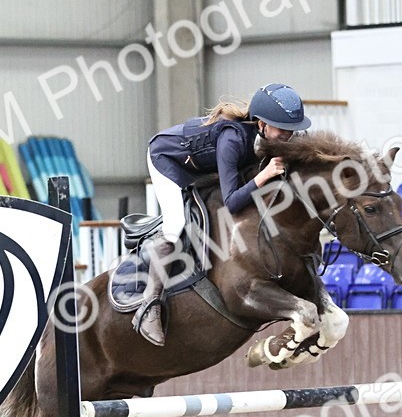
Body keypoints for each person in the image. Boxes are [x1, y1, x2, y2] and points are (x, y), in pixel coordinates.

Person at [134, 83, 313, 346]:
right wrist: (264, 175)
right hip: (167, 159)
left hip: (201, 165)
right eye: (282, 129)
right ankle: (149, 307)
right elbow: (232, 203)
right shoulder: (233, 140)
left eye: (291, 130)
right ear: (261, 124)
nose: (287, 135)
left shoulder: (268, 138)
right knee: (176, 224)